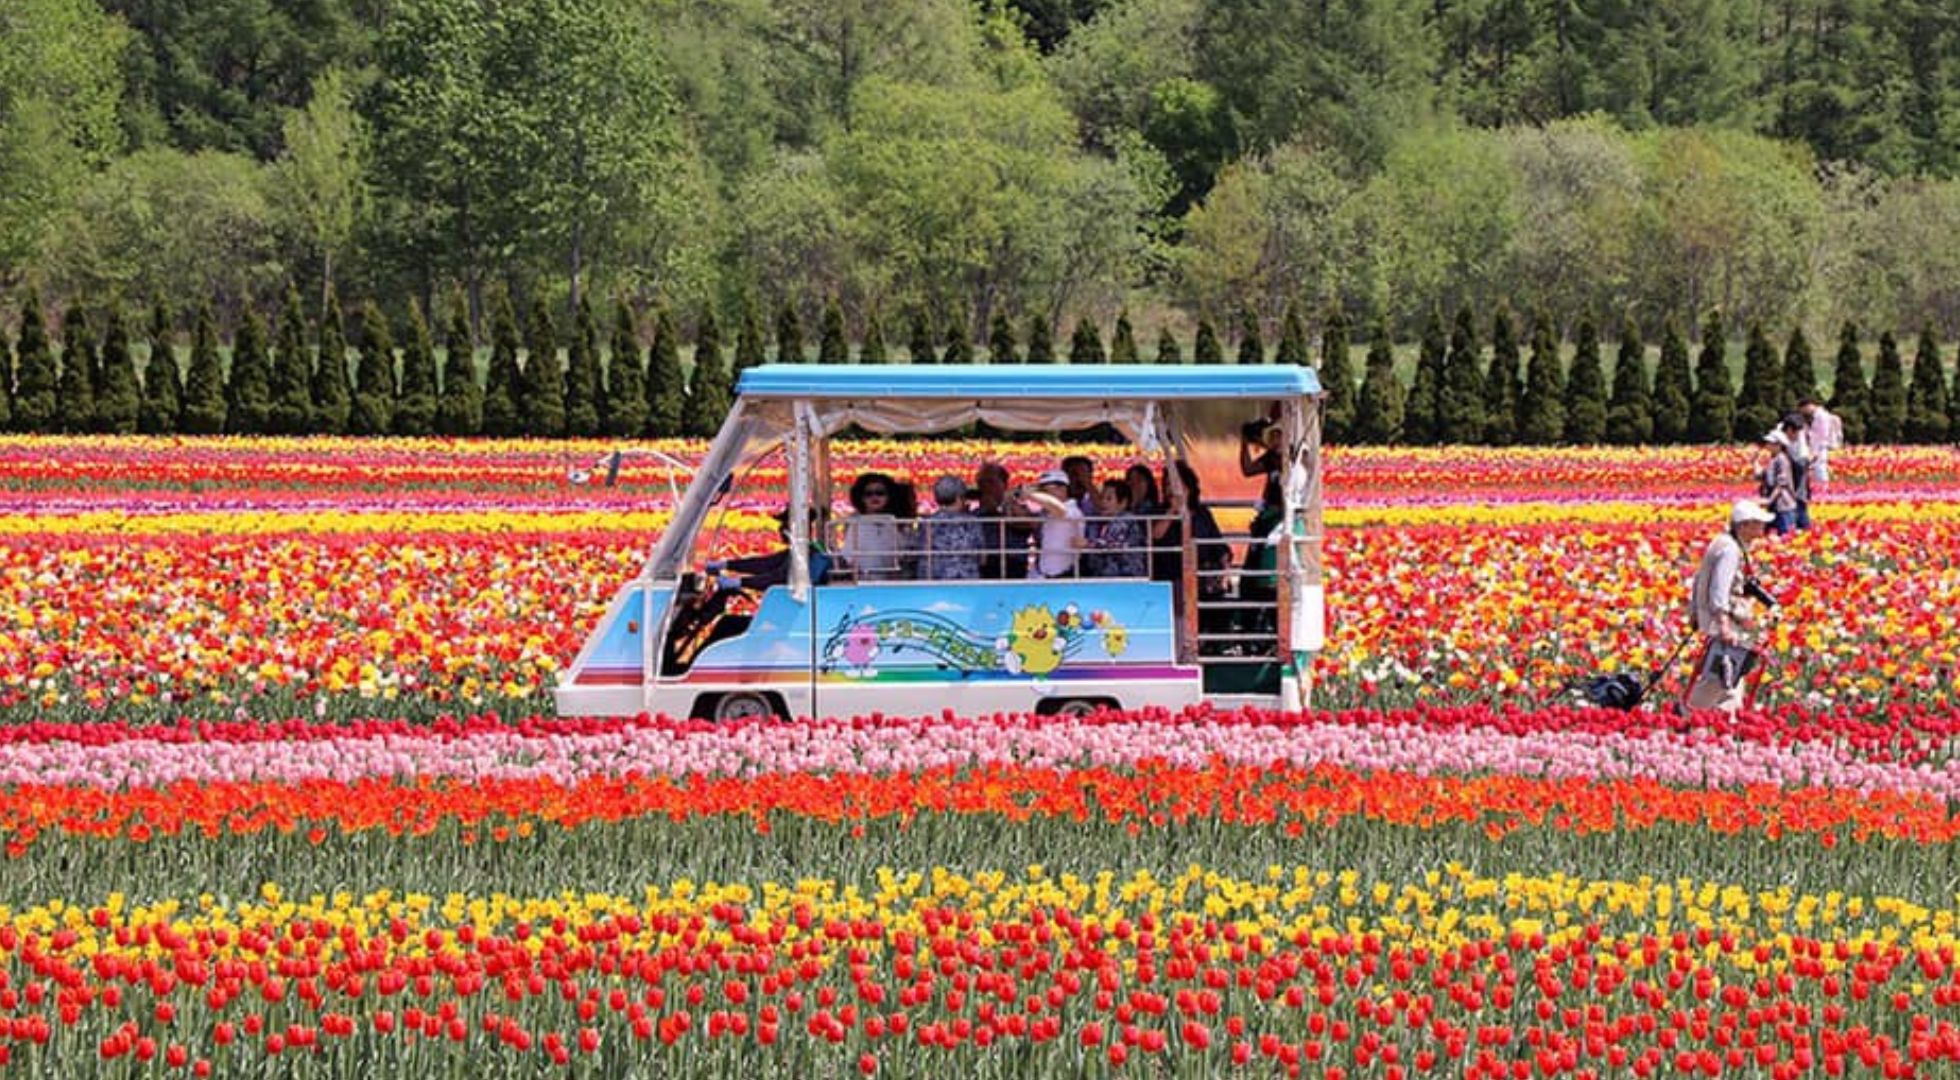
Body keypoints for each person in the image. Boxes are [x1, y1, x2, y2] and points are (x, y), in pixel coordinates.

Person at [1684, 499, 1774, 713]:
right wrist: (1723, 624)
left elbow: (1700, 580)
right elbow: (1719, 588)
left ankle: (1729, 717)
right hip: (1724, 622)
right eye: (1758, 523)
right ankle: (1687, 713)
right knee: (1719, 674)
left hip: (1721, 619)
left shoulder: (1724, 542)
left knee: (1734, 672)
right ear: (1743, 525)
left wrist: (1696, 612)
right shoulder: (1730, 550)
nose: (1763, 528)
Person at [839, 472, 908, 580]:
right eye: (868, 494)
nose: (874, 497)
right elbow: (849, 558)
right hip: (864, 582)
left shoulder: (894, 523)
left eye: (880, 493)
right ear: (861, 498)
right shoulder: (855, 524)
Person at [1019, 469, 1085, 579]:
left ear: (1063, 489)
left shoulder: (1072, 511)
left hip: (1062, 577)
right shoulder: (1046, 512)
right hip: (1040, 574)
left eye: (1047, 490)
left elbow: (1058, 508)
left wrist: (1030, 495)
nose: (1043, 495)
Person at [919, 475, 986, 580]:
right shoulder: (972, 523)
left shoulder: (927, 523)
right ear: (959, 498)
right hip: (966, 578)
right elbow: (982, 558)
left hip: (933, 579)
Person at [1083, 479, 1147, 578]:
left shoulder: (1126, 519)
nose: (1103, 502)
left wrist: (1088, 543)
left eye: (1109, 499)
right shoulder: (1101, 522)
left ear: (1123, 503)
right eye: (1101, 498)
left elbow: (1112, 543)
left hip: (1126, 577)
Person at [1799, 397, 1842, 498]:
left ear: (1808, 406)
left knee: (1820, 469)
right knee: (1816, 470)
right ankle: (1818, 491)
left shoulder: (1821, 416)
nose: (1803, 412)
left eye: (1803, 409)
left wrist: (1814, 452)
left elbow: (1821, 436)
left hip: (1820, 447)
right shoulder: (1814, 416)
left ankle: (1823, 492)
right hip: (1816, 446)